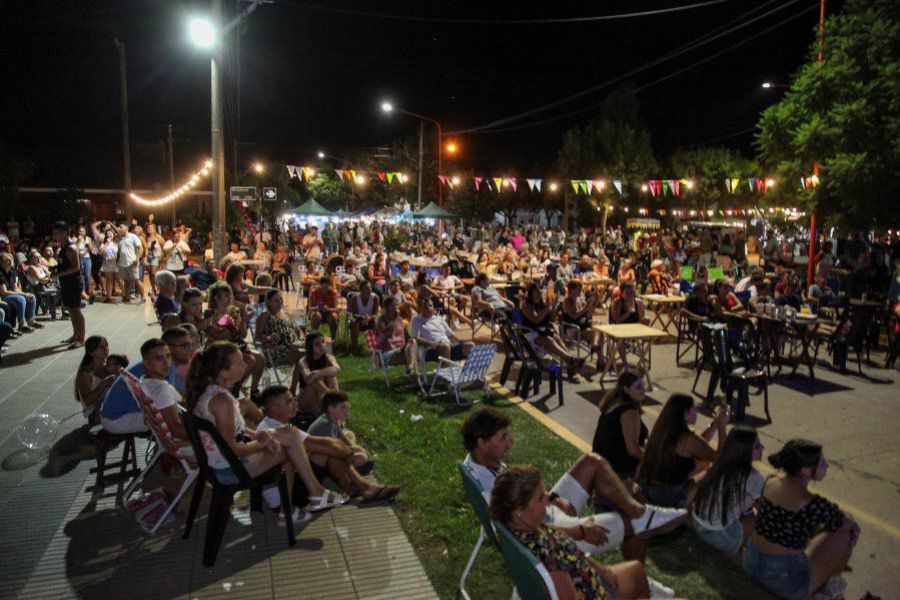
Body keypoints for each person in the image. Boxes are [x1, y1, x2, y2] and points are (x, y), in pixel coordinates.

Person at [462, 407, 687, 570]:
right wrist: (579, 532)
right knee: (633, 524)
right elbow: (526, 532)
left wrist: (550, 498)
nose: (511, 442)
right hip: (555, 534)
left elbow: (521, 499)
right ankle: (639, 573)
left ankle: (642, 513)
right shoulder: (489, 489)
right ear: (481, 442)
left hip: (546, 512)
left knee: (592, 462)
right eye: (503, 437)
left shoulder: (479, 464)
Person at [185, 341, 346, 513]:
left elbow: (234, 430)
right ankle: (300, 502)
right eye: (239, 362)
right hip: (230, 469)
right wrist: (261, 443)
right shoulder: (221, 401)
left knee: (290, 435)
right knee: (290, 446)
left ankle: (308, 497)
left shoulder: (211, 393)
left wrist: (258, 436)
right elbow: (231, 449)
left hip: (223, 463)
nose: (245, 365)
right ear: (224, 372)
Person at [491, 465, 655, 599]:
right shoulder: (547, 552)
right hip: (592, 591)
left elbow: (559, 540)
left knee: (635, 570)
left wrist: (597, 567)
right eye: (541, 498)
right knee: (638, 573)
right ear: (519, 509)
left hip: (584, 574)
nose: (547, 502)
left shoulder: (518, 529)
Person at [744, 439, 859, 599]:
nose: (827, 466)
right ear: (805, 470)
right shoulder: (812, 503)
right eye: (822, 463)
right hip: (783, 581)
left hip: (751, 564)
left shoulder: (770, 481)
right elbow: (849, 524)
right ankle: (829, 590)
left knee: (821, 528)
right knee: (845, 534)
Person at [636, 393, 730, 508]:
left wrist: (715, 423)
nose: (697, 411)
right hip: (669, 497)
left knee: (703, 462)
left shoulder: (663, 430)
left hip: (648, 489)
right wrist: (722, 427)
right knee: (715, 469)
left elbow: (700, 445)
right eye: (693, 408)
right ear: (684, 414)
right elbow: (722, 459)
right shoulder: (687, 438)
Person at [691, 426, 765, 554]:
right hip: (719, 535)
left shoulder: (721, 464)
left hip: (698, 523)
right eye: (757, 446)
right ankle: (742, 550)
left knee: (742, 506)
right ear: (745, 452)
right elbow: (762, 509)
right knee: (755, 518)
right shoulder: (754, 476)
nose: (763, 447)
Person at [591, 369, 648, 481]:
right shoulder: (629, 412)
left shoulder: (614, 403)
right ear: (626, 389)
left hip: (601, 466)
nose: (643, 390)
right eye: (638, 387)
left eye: (643, 385)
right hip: (619, 472)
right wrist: (655, 461)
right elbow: (633, 449)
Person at [522, 282, 584, 379]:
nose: (539, 292)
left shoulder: (542, 303)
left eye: (539, 290)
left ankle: (570, 362)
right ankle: (570, 360)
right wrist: (547, 308)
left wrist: (553, 306)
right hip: (530, 334)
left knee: (556, 338)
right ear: (531, 292)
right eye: (536, 290)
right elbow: (535, 319)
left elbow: (550, 318)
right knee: (550, 341)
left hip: (542, 331)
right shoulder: (527, 305)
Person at [255, 288, 305, 392]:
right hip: (276, 350)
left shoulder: (285, 314)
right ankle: (294, 390)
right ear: (268, 301)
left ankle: (304, 389)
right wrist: (269, 338)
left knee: (313, 353)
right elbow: (257, 337)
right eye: (276, 300)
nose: (280, 302)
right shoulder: (265, 315)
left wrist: (301, 336)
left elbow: (298, 330)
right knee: (304, 358)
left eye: (281, 299)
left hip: (294, 346)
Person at [376, 295, 426, 394]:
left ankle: (416, 380)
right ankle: (419, 385)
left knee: (412, 345)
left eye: (396, 306)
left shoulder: (400, 319)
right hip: (388, 353)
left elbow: (408, 337)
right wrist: (394, 320)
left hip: (402, 350)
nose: (395, 308)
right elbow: (388, 333)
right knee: (412, 353)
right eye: (392, 306)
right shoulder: (381, 319)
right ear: (385, 308)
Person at [410, 294, 473, 363]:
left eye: (430, 306)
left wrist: (461, 342)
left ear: (434, 307)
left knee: (470, 346)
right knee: (445, 347)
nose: (428, 308)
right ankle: (445, 372)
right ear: (420, 308)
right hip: (431, 350)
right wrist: (433, 344)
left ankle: (471, 372)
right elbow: (416, 338)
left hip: (448, 345)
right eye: (425, 307)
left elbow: (450, 335)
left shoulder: (438, 318)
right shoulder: (416, 320)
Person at [53, 222, 86, 348]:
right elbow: (65, 264)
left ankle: (82, 338)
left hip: (73, 283)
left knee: (76, 310)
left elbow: (76, 267)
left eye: (57, 233)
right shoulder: (64, 246)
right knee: (71, 309)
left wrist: (57, 274)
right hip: (66, 282)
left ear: (65, 232)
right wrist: (56, 269)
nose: (55, 236)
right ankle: (75, 334)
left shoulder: (71, 247)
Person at [75, 336, 118, 424]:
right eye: (101, 347)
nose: (106, 349)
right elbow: (87, 401)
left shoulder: (108, 366)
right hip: (95, 413)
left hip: (110, 404)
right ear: (91, 352)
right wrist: (104, 384)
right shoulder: (85, 373)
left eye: (106, 345)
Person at [296, 331, 340, 413]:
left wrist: (317, 372)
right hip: (306, 401)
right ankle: (333, 403)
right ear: (310, 347)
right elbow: (308, 377)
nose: (322, 346)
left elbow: (337, 369)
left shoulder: (328, 357)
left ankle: (333, 405)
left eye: (323, 342)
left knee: (331, 374)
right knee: (315, 379)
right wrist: (328, 392)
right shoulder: (303, 361)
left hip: (323, 397)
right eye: (317, 344)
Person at [0, 252, 40, 333]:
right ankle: (22, 323)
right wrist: (23, 295)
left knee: (31, 296)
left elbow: (15, 288)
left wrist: (25, 294)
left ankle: (31, 320)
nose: (10, 262)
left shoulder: (12, 272)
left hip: (12, 293)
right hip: (4, 296)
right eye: (7, 260)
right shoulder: (0, 274)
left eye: (10, 260)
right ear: (1, 262)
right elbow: (4, 291)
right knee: (21, 299)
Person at [347, 279, 379, 354]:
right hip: (359, 320)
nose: (369, 290)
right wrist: (363, 317)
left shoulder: (375, 298)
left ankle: (375, 347)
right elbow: (354, 314)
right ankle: (354, 348)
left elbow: (375, 313)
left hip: (371, 321)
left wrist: (370, 318)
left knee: (377, 322)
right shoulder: (355, 298)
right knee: (354, 323)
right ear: (361, 290)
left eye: (370, 288)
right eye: (366, 288)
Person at [117, 223, 145, 303]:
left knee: (136, 280)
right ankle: (127, 297)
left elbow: (141, 248)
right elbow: (119, 251)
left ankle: (143, 297)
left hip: (132, 263)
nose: (119, 228)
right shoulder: (120, 238)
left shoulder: (133, 236)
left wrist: (137, 259)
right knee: (126, 281)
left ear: (126, 228)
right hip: (122, 263)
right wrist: (118, 261)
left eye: (121, 226)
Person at [307, 275, 340, 340]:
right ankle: (314, 338)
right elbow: (310, 308)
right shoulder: (314, 293)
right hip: (317, 312)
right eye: (323, 285)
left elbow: (337, 309)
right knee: (315, 315)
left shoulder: (333, 293)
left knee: (333, 317)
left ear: (329, 285)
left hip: (329, 313)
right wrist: (317, 308)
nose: (325, 286)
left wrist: (328, 309)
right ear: (320, 284)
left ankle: (333, 339)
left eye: (327, 285)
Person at [145, 223, 165, 296]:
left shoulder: (158, 237)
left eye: (151, 228)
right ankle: (153, 289)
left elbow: (164, 246)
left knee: (154, 273)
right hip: (149, 257)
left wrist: (161, 256)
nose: (149, 229)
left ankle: (159, 289)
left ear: (154, 229)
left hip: (156, 257)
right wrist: (145, 258)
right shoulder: (147, 238)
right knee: (150, 274)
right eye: (148, 228)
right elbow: (146, 249)